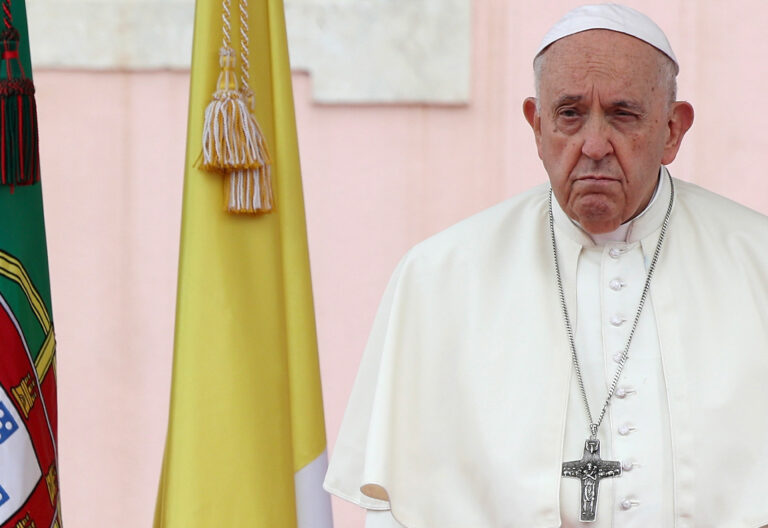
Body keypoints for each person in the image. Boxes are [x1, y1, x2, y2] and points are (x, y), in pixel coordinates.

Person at [324, 4, 768, 527]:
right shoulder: (439, 278)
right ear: (537, 126)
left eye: (623, 114)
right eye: (570, 114)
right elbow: (394, 510)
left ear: (672, 130)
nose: (595, 145)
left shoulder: (756, 262)